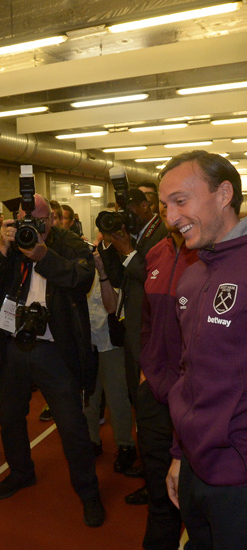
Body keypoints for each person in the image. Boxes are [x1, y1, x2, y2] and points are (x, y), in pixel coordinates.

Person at [0, 194, 105, 527]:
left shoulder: (70, 244)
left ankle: (89, 492)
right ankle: (21, 472)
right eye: (24, 219)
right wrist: (2, 250)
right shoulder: (12, 245)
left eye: (37, 218)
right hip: (13, 343)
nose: (31, 226)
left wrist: (44, 256)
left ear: (50, 219)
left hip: (54, 349)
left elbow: (81, 280)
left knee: (71, 425)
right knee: (9, 416)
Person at [161, 151, 247, 549]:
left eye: (180, 200)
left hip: (239, 478)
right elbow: (187, 373)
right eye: (165, 205)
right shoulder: (193, 276)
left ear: (224, 193)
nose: (170, 217)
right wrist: (180, 455)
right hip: (195, 468)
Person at [98, 188, 167, 505]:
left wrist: (126, 249)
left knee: (153, 411)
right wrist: (110, 245)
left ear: (145, 206)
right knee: (138, 404)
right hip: (131, 332)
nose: (127, 214)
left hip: (151, 337)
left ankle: (159, 483)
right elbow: (118, 277)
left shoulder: (162, 235)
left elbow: (153, 279)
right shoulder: (137, 234)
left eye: (131, 209)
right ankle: (151, 465)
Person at [138, 198, 198, 550]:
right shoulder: (155, 252)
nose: (167, 210)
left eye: (178, 201)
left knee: (197, 497)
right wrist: (147, 370)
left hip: (195, 397)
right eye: (162, 203)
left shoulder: (207, 254)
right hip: (155, 395)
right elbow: (147, 322)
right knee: (160, 494)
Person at [83, 238, 136, 467]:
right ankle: (92, 441)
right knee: (88, 398)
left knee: (117, 398)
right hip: (87, 342)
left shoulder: (117, 268)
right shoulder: (82, 267)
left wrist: (102, 272)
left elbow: (112, 306)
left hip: (110, 343)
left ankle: (126, 445)